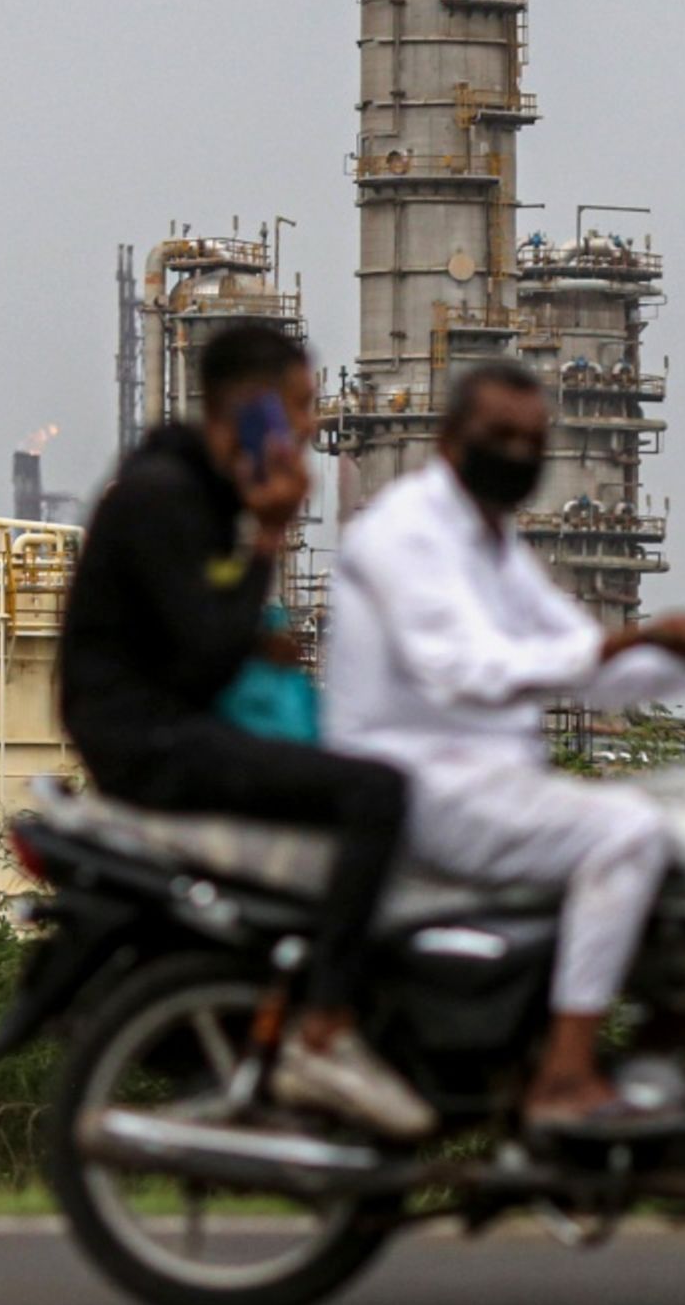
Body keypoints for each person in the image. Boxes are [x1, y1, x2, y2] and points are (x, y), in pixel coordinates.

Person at [326, 359, 685, 1135]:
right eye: (498, 435)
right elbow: (463, 669)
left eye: (531, 439)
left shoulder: (493, 544)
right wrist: (628, 643)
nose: (516, 452)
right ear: (449, 440)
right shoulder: (404, 531)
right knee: (626, 833)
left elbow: (586, 660)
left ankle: (649, 1049)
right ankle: (566, 1075)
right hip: (420, 781)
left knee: (675, 823)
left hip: (488, 777)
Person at [58, 321, 431, 1140]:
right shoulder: (163, 497)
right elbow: (202, 658)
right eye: (298, 406)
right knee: (377, 796)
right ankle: (326, 1029)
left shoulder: (183, 486)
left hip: (163, 724)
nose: (308, 426)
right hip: (150, 741)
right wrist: (269, 537)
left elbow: (202, 624)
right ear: (252, 407)